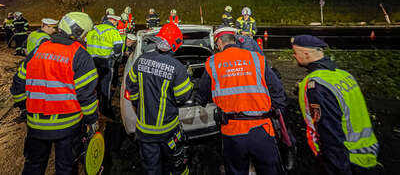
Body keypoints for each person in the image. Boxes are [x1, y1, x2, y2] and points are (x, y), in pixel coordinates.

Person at [10, 12, 99, 175]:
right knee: (65, 168)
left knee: (33, 166)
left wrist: (24, 108)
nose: (86, 37)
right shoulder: (80, 54)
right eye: (85, 33)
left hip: (35, 123)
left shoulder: (39, 49)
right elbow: (86, 94)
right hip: (67, 125)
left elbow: (17, 85)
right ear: (78, 33)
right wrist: (92, 120)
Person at [197, 27, 286, 175]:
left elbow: (203, 95)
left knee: (236, 170)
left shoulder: (213, 63)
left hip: (232, 131)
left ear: (219, 42)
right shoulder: (256, 58)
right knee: (270, 170)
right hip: (262, 128)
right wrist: (279, 117)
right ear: (235, 40)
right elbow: (277, 90)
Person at [291, 35, 379, 175]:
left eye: (295, 53)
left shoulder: (316, 85)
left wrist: (336, 168)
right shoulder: (344, 76)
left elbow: (330, 132)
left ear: (306, 54)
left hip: (346, 161)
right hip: (367, 154)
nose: (294, 56)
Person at [125, 22, 193, 175]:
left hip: (144, 130)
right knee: (176, 165)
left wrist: (138, 104)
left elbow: (131, 87)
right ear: (175, 45)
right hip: (168, 131)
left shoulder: (141, 60)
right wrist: (187, 77)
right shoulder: (178, 67)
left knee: (152, 168)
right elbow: (183, 96)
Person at [86, 14, 124, 118]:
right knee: (105, 86)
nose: (116, 23)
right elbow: (118, 45)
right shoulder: (112, 31)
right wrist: (116, 56)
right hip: (105, 62)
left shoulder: (93, 29)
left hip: (92, 62)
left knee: (94, 84)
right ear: (111, 20)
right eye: (116, 21)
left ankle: (94, 106)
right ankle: (105, 109)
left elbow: (85, 43)